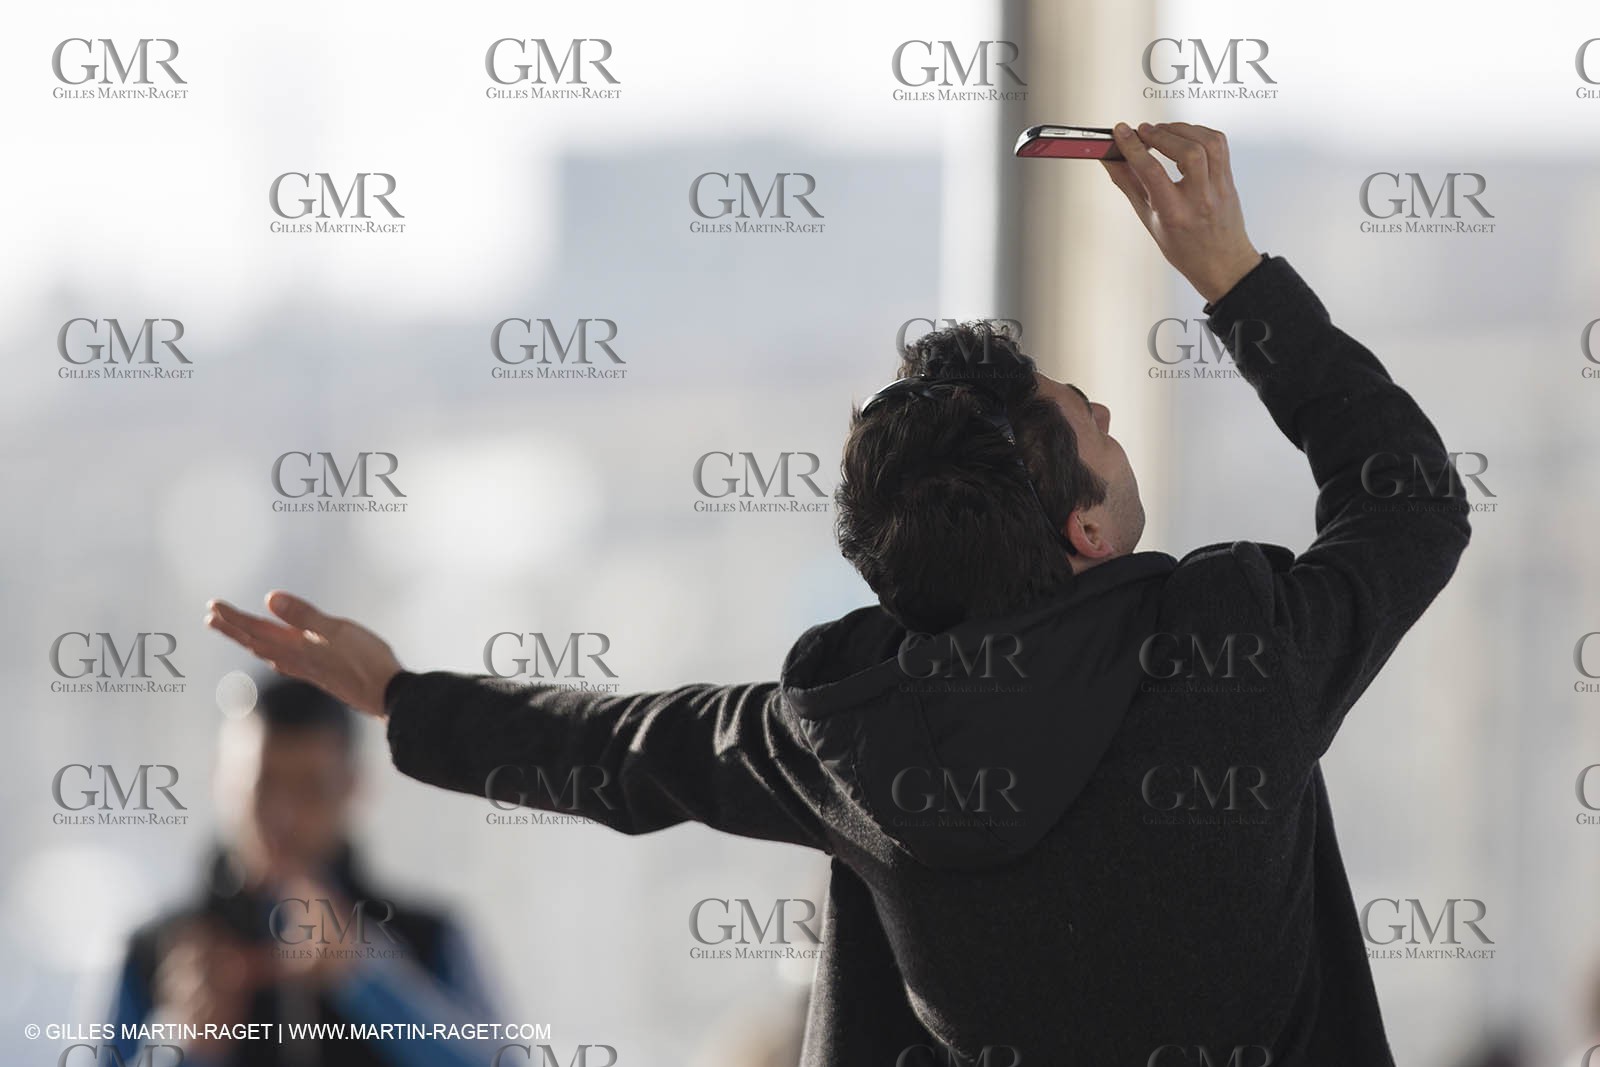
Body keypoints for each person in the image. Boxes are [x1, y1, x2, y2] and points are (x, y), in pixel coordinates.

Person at [205, 121, 1472, 1063]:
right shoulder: (1234, 648)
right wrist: (1232, 273)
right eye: (1094, 417)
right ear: (1087, 526)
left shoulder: (843, 732)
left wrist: (402, 693)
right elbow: (1408, 496)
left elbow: (618, 751)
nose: (1106, 410)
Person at [107, 677, 500, 1067]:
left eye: (311, 788)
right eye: (262, 786)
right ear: (219, 780)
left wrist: (366, 978)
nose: (283, 814)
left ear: (352, 787)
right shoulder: (152, 952)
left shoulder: (428, 939)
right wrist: (180, 1046)